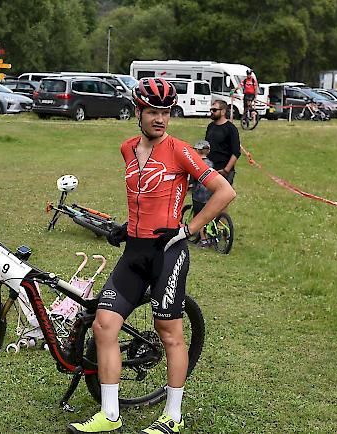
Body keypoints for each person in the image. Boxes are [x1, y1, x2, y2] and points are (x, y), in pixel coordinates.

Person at [68, 78, 236, 434]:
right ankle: (110, 416)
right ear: (138, 112)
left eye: (165, 112)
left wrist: (189, 230)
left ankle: (173, 417)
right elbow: (142, 195)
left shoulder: (179, 150)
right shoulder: (128, 148)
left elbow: (224, 191)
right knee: (104, 325)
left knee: (169, 332)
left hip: (167, 254)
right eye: (153, 111)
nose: (160, 118)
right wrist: (126, 227)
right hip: (134, 252)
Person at [205, 99, 240, 188]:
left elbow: (236, 152)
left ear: (223, 111)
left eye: (215, 110)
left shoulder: (231, 128)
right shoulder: (210, 126)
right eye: (211, 110)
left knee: (220, 200)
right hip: (209, 169)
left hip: (223, 170)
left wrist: (226, 170)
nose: (212, 112)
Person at [189, 140, 215, 248]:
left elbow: (193, 178)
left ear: (197, 151)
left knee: (199, 217)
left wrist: (189, 185)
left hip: (199, 194)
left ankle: (203, 240)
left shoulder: (196, 163)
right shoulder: (210, 163)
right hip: (210, 192)